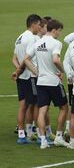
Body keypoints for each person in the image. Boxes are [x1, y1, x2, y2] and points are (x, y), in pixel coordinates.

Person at [24, 19, 69, 149]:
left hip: (41, 81)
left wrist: (37, 72)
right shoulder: (56, 43)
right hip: (53, 81)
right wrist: (62, 71)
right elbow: (55, 59)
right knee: (64, 108)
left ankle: (43, 140)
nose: (59, 34)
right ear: (54, 30)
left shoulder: (38, 42)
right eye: (59, 31)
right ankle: (59, 137)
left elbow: (26, 59)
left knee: (42, 111)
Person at [12, 14, 42, 144]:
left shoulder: (20, 37)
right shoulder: (32, 38)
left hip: (22, 77)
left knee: (23, 105)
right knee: (35, 105)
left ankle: (22, 135)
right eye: (39, 25)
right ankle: (35, 133)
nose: (40, 28)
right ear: (34, 24)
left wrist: (18, 70)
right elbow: (26, 58)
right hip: (30, 76)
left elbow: (14, 58)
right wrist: (20, 70)